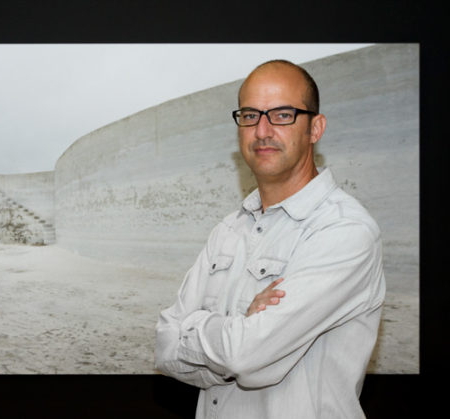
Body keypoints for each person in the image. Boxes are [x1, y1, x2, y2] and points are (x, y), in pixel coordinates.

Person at [154, 59, 385, 419]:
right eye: (250, 115)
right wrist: (238, 330)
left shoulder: (345, 230)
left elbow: (247, 357)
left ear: (315, 128)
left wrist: (202, 332)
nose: (262, 130)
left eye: (282, 115)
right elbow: (165, 345)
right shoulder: (228, 230)